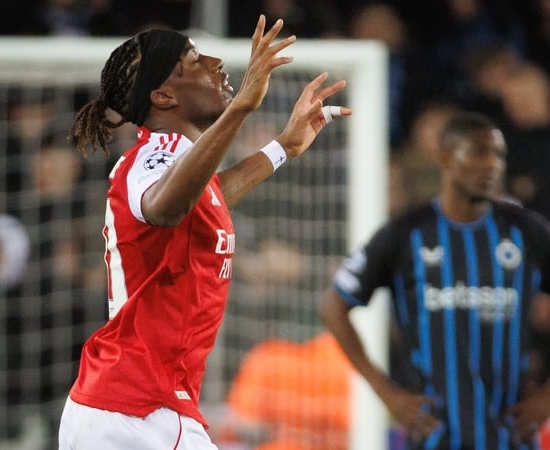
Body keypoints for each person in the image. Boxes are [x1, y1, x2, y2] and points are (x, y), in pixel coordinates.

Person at [57, 15, 351, 449]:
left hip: (128, 410)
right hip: (138, 413)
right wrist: (240, 107)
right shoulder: (153, 157)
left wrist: (282, 148)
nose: (216, 63)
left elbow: (207, 196)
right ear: (163, 96)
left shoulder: (177, 165)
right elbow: (165, 207)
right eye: (193, 60)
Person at [319, 111, 550, 449]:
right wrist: (386, 391)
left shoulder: (525, 230)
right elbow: (334, 306)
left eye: (498, 155)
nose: (492, 165)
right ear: (445, 158)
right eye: (478, 153)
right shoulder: (407, 233)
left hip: (509, 437)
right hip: (435, 439)